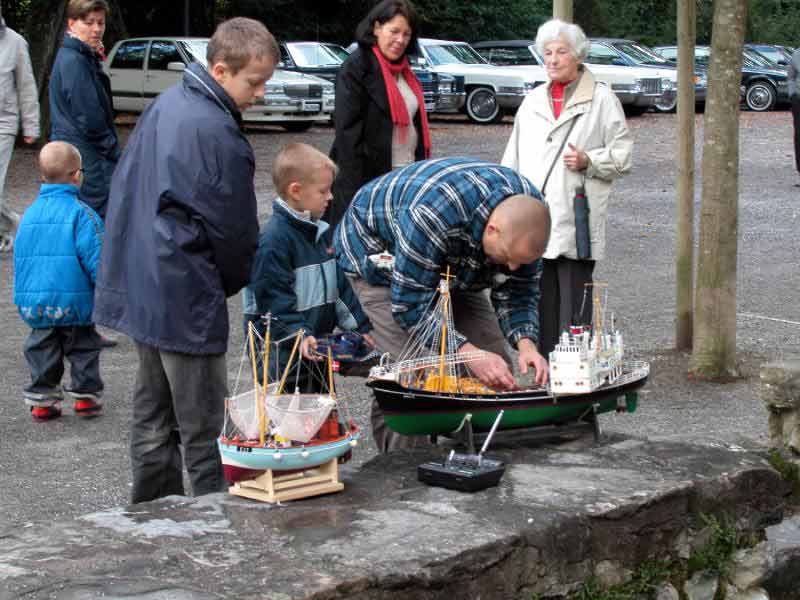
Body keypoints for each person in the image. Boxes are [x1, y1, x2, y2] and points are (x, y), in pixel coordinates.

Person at [92, 18, 278, 503]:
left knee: (153, 412)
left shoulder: (169, 103)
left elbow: (127, 185)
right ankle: (213, 522)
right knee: (204, 426)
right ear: (220, 70)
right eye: (254, 83)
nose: (259, 95)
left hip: (144, 278)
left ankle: (152, 514)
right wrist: (228, 281)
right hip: (181, 288)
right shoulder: (215, 131)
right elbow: (235, 232)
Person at [334, 156, 551, 452]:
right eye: (507, 258)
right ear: (493, 230)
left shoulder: (530, 217)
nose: (512, 268)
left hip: (457, 266)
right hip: (383, 262)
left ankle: (479, 461)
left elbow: (521, 289)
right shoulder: (431, 214)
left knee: (495, 369)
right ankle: (403, 473)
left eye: (520, 262)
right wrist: (468, 353)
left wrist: (527, 344)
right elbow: (410, 307)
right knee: (410, 377)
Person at [501, 19, 632, 360]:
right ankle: (542, 374)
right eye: (548, 53)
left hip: (577, 220)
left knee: (575, 308)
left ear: (577, 56)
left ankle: (574, 375)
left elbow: (623, 156)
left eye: (561, 52)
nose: (554, 59)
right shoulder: (531, 102)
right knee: (536, 301)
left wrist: (590, 160)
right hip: (535, 221)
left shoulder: (602, 99)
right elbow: (510, 161)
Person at [243, 143, 374, 392]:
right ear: (296, 191)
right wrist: (298, 333)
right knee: (288, 426)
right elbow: (273, 299)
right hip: (282, 361)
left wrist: (359, 327)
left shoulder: (317, 232)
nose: (330, 197)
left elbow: (339, 288)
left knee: (324, 420)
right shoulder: (274, 241)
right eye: (323, 191)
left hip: (315, 351)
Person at [13, 142, 104, 422]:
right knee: (84, 346)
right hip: (74, 301)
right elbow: (97, 258)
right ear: (77, 176)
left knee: (42, 347)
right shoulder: (82, 214)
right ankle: (85, 395)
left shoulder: (28, 215)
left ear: (42, 176)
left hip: (37, 301)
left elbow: (21, 258)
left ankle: (42, 398)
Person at [328, 0, 431, 230]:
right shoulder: (356, 68)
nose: (400, 40)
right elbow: (347, 135)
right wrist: (355, 193)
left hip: (407, 173)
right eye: (394, 31)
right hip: (370, 178)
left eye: (406, 34)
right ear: (376, 28)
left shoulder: (405, 71)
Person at [49, 0, 119, 220]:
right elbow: (90, 117)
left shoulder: (81, 56)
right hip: (88, 158)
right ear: (72, 24)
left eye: (101, 22)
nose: (97, 29)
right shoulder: (74, 60)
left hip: (82, 154)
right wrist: (114, 151)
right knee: (94, 221)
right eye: (89, 23)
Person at [0, 8, 39, 252]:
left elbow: (26, 86)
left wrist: (31, 125)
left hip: (4, 123)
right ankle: (8, 224)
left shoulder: (15, 42)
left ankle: (7, 227)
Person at [789, 46, 800, 184]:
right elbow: (791, 76)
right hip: (798, 100)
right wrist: (792, 95)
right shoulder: (796, 54)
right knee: (799, 135)